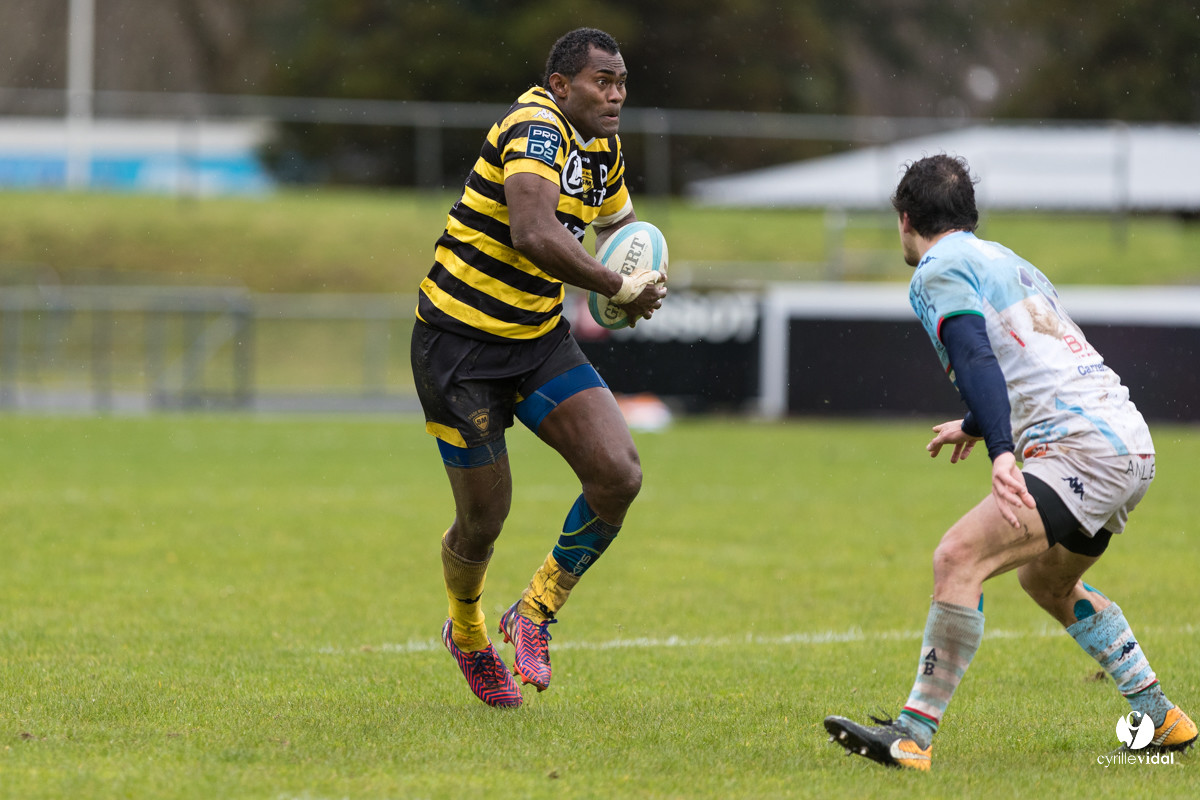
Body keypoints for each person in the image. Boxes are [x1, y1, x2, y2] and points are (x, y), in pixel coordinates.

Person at [824, 154, 1196, 769]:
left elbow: (976, 357)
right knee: (1045, 580)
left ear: (906, 217)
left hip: (1081, 448)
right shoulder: (1008, 260)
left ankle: (912, 737)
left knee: (957, 557)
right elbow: (1038, 360)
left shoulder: (936, 268)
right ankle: (1163, 720)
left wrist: (1001, 451)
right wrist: (976, 423)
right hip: (1127, 441)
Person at [410, 28, 666, 708]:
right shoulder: (536, 126)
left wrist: (639, 280)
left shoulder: (603, 146)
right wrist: (615, 289)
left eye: (621, 83)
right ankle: (466, 634)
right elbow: (534, 230)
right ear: (560, 84)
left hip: (535, 340)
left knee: (618, 474)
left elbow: (623, 236)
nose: (616, 95)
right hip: (458, 349)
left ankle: (535, 611)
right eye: (602, 82)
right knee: (483, 521)